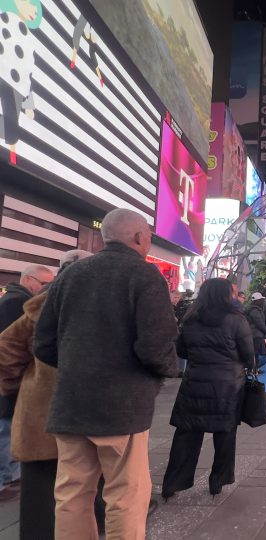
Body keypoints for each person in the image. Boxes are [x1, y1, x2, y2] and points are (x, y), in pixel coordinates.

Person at [33, 208, 179, 539]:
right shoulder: (145, 276)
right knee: (126, 495)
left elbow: (42, 343)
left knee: (71, 494)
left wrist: (79, 369)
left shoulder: (70, 275)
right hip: (122, 407)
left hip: (71, 403)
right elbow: (155, 346)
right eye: (149, 237)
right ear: (140, 237)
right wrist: (163, 374)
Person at [0, 250, 91, 537]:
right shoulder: (90, 298)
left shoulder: (40, 302)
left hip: (41, 406)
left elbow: (7, 350)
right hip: (80, 406)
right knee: (79, 478)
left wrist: (19, 388)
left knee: (43, 482)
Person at [161, 278, 255, 499]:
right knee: (225, 433)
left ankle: (173, 482)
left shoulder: (191, 319)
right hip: (227, 386)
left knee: (186, 433)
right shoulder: (236, 320)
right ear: (225, 295)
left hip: (194, 383)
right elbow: (248, 354)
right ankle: (217, 480)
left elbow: (181, 350)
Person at [0, 264, 53, 501]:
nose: (45, 288)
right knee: (5, 431)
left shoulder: (22, 300)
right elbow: (8, 346)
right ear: (29, 280)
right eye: (43, 284)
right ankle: (5, 479)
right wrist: (13, 383)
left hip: (20, 384)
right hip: (19, 385)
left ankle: (9, 475)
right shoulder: (16, 303)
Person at [246, 292, 266, 372]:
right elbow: (259, 323)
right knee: (256, 353)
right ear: (257, 300)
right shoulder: (255, 311)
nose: (262, 301)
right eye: (261, 300)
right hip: (256, 335)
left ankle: (254, 369)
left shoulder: (251, 310)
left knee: (255, 353)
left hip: (253, 334)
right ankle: (254, 369)